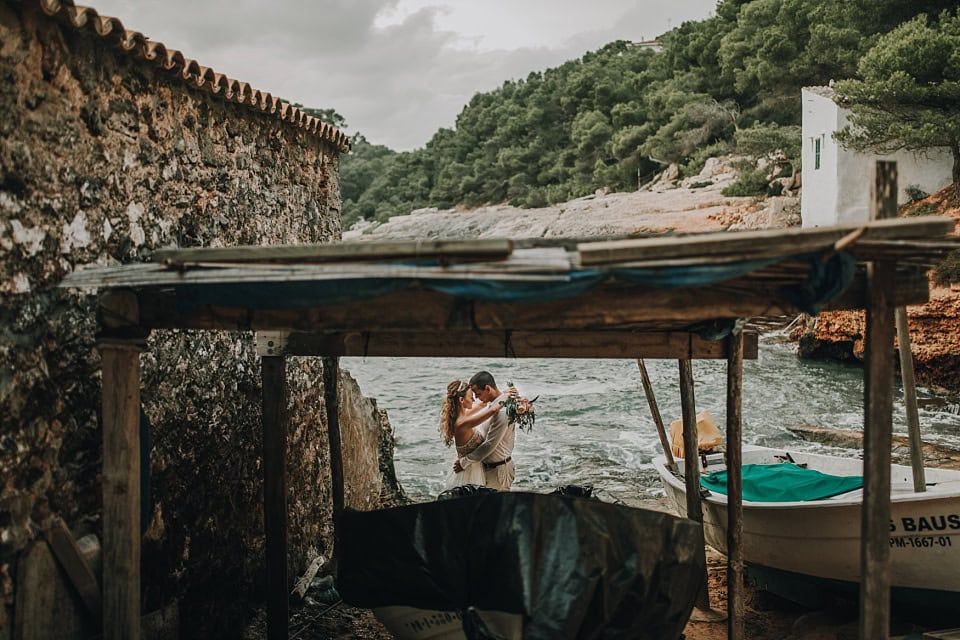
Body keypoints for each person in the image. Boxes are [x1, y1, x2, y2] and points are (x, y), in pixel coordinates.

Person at [452, 371, 517, 491]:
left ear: (488, 388)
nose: (476, 398)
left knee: (495, 508)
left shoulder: (502, 412)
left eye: (477, 394)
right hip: (486, 468)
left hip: (498, 471)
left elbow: (489, 444)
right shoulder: (491, 405)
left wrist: (464, 462)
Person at [440, 379, 505, 490]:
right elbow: (493, 411)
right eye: (471, 397)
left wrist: (501, 392)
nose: (474, 399)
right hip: (469, 473)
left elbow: (482, 404)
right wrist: (507, 396)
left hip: (469, 468)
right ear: (461, 400)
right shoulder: (463, 423)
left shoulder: (462, 417)